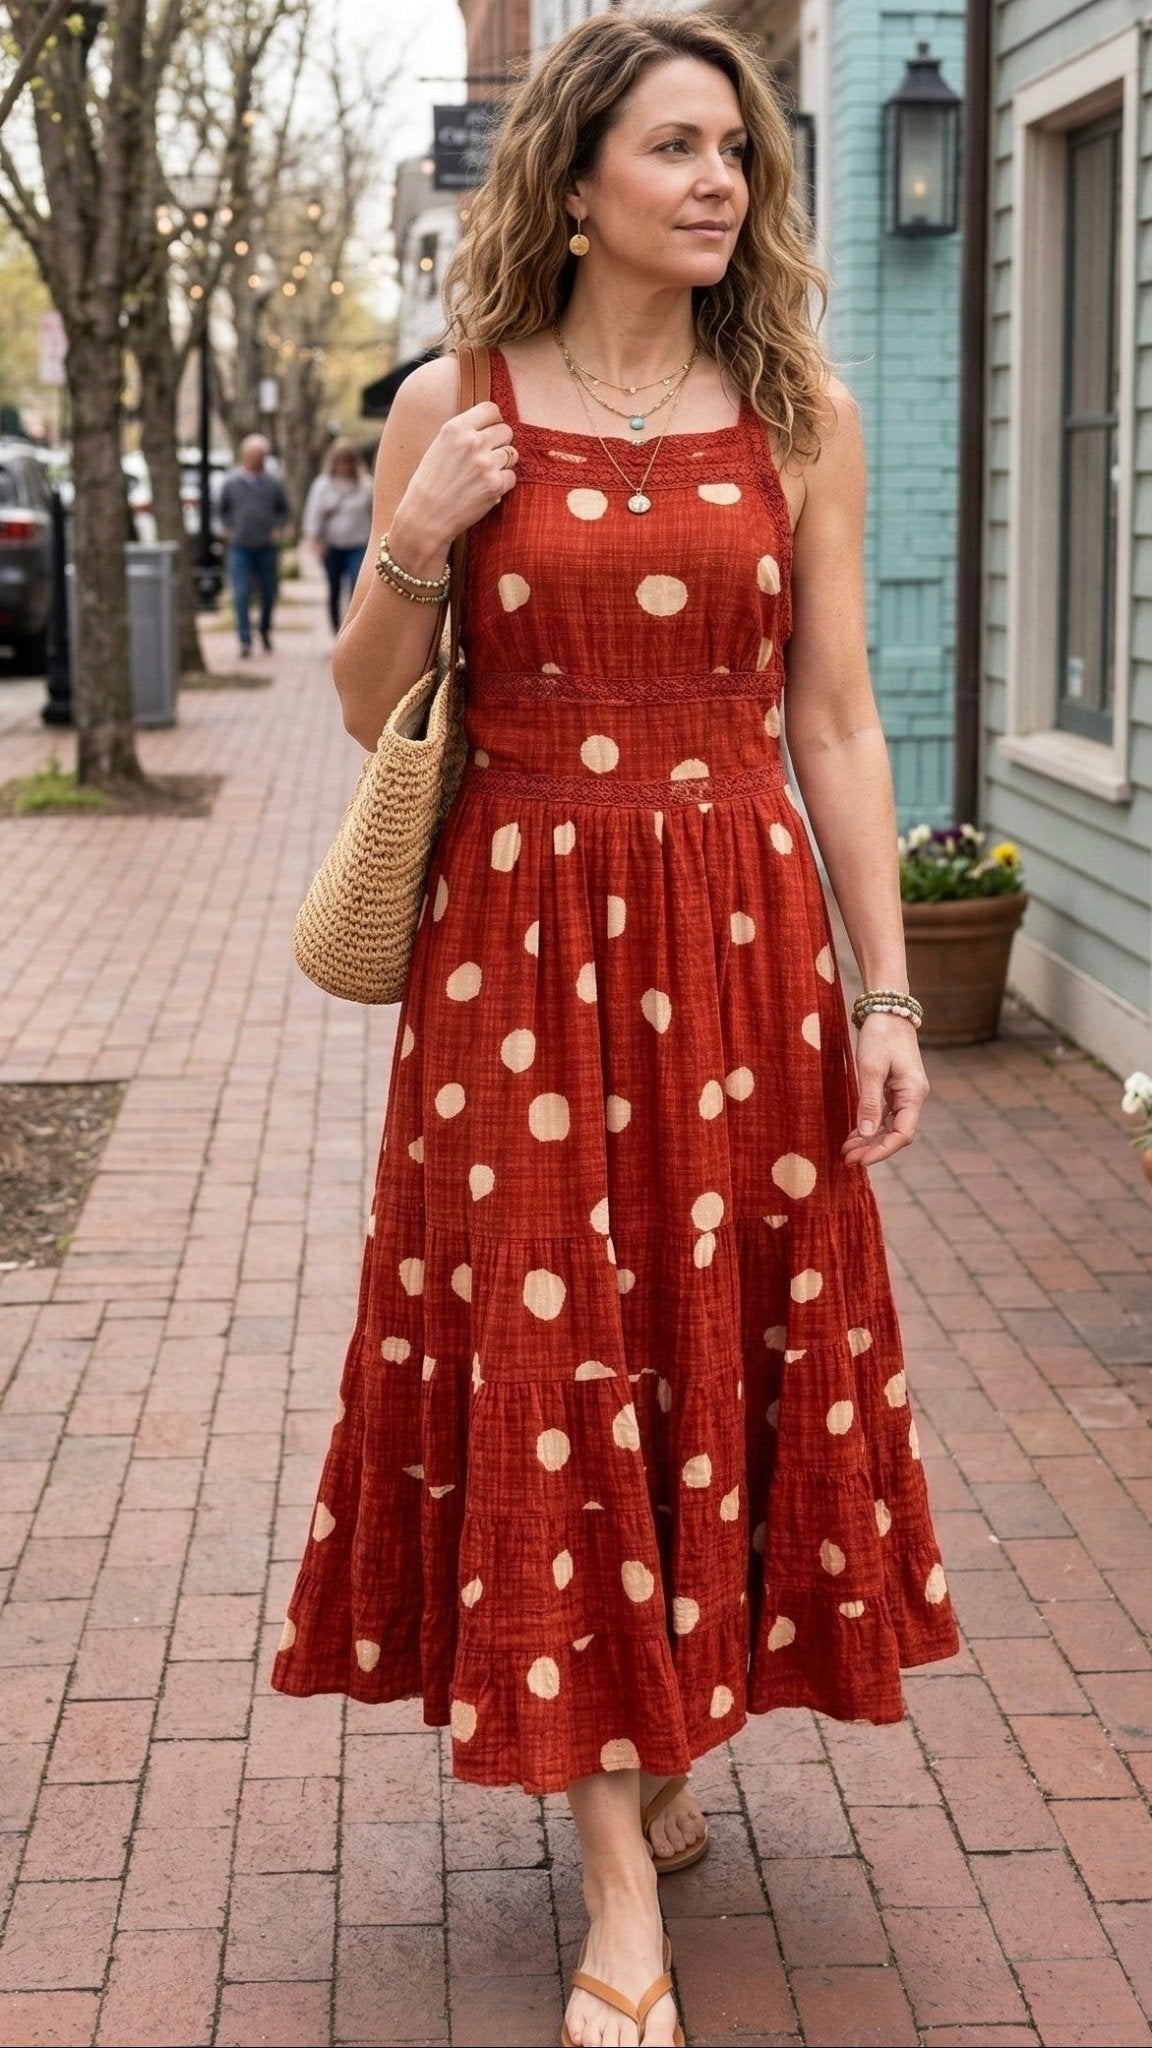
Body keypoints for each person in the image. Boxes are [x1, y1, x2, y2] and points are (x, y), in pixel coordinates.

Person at [273, 13, 959, 2045]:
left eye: (736, 149)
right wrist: (427, 525)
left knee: (713, 1333)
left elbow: (831, 716)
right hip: (518, 948)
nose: (722, 180)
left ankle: (660, 1735)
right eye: (675, 146)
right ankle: (609, 1886)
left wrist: (888, 983)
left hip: (742, 932)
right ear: (574, 181)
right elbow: (353, 697)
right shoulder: (450, 405)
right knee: (555, 1361)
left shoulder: (801, 415)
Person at [219, 433, 290, 656]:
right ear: (244, 455)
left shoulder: (273, 483)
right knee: (240, 594)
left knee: (267, 593)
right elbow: (221, 510)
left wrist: (278, 528)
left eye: (261, 455)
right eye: (253, 455)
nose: (257, 459)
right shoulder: (231, 482)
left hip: (266, 546)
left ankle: (265, 629)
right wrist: (227, 528)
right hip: (240, 546)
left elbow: (284, 510)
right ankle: (244, 639)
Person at [302, 439, 375, 633]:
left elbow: (375, 514)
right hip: (331, 545)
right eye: (339, 460)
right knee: (334, 588)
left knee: (356, 587)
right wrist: (315, 542)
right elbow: (312, 516)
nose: (343, 465)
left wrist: (374, 543)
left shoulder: (366, 485)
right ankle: (336, 629)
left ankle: (351, 631)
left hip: (358, 545)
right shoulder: (322, 485)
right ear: (332, 462)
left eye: (347, 460)